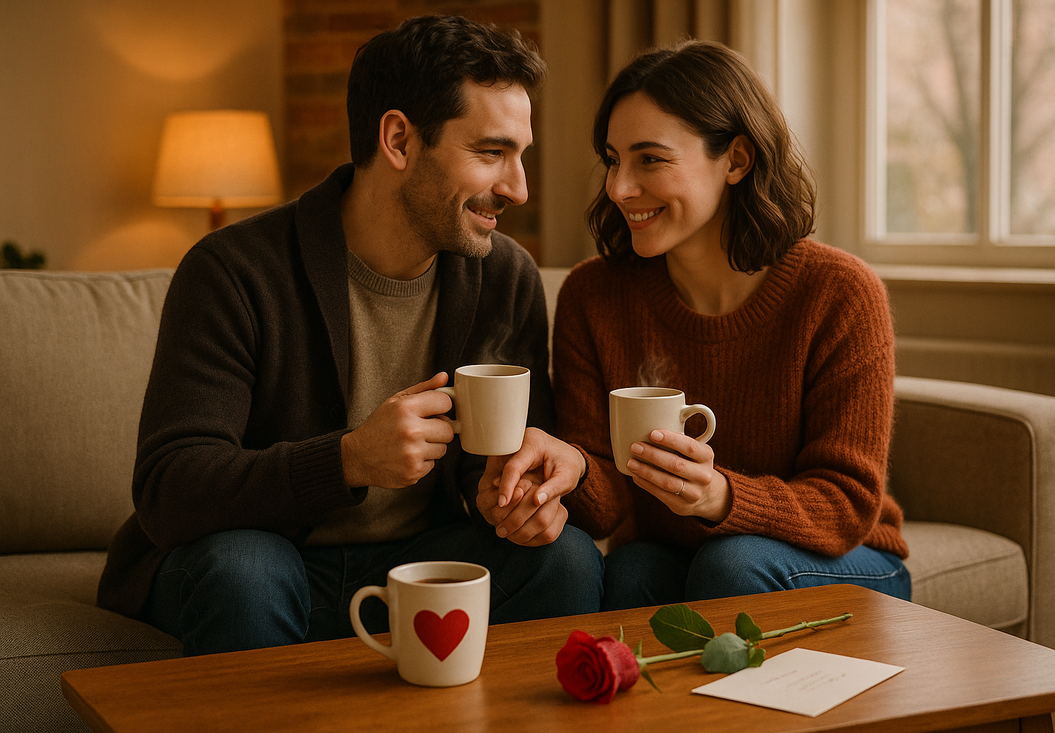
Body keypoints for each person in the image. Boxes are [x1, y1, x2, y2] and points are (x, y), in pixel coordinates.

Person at [97, 14, 602, 656]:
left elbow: (502, 464)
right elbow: (170, 489)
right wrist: (349, 460)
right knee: (247, 573)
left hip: (418, 563)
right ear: (398, 139)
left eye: (520, 155)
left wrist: (523, 498)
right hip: (264, 558)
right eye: (491, 152)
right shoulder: (232, 270)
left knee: (569, 562)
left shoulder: (504, 275)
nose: (519, 188)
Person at [538, 40, 911, 610]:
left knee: (731, 565)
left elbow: (846, 505)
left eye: (650, 159)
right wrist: (573, 468)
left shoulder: (840, 293)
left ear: (736, 160)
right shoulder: (594, 296)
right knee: (628, 572)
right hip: (680, 549)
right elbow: (606, 508)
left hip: (843, 554)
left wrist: (721, 496)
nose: (618, 188)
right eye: (613, 159)